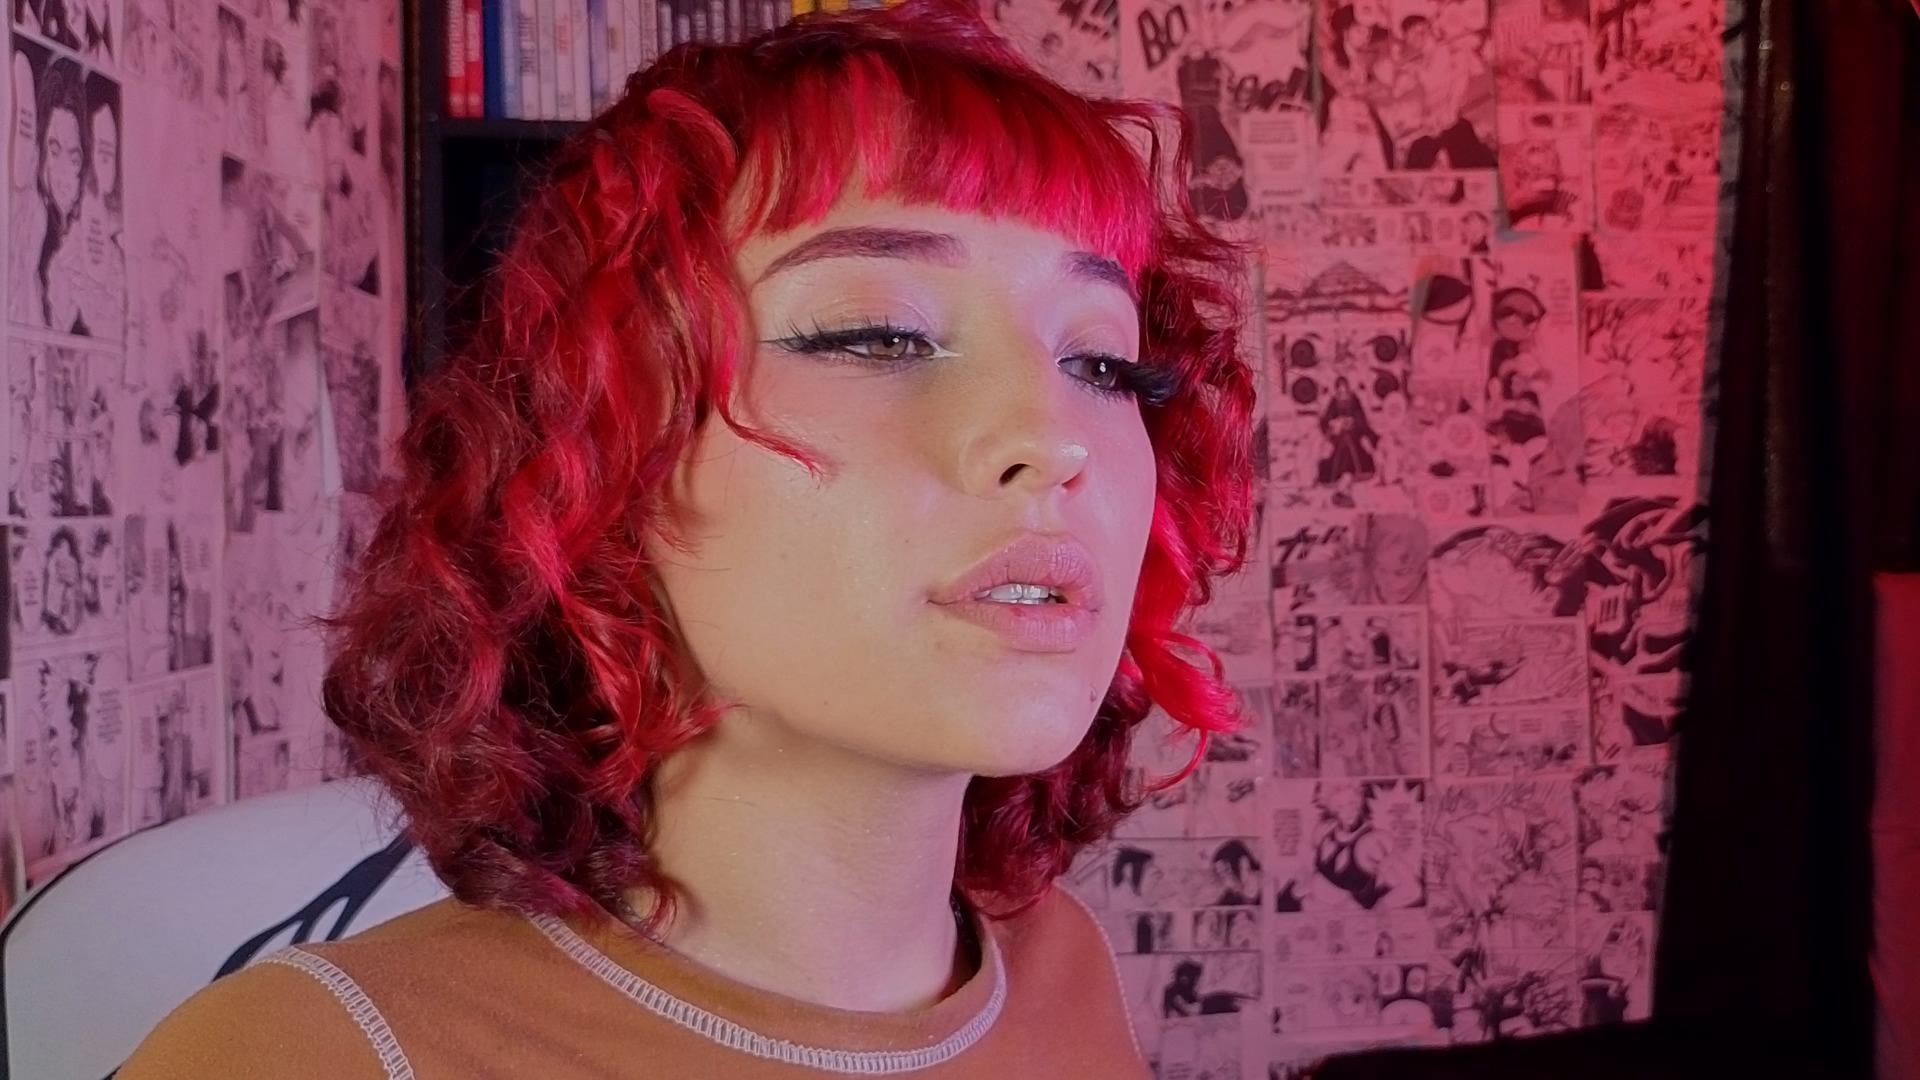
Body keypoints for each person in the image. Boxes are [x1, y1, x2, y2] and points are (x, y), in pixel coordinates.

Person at [119, 1, 1257, 1076]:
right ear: (601, 459)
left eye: (1102, 361)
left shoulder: (1061, 975)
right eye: (877, 335)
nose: (1054, 438)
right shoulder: (313, 1054)